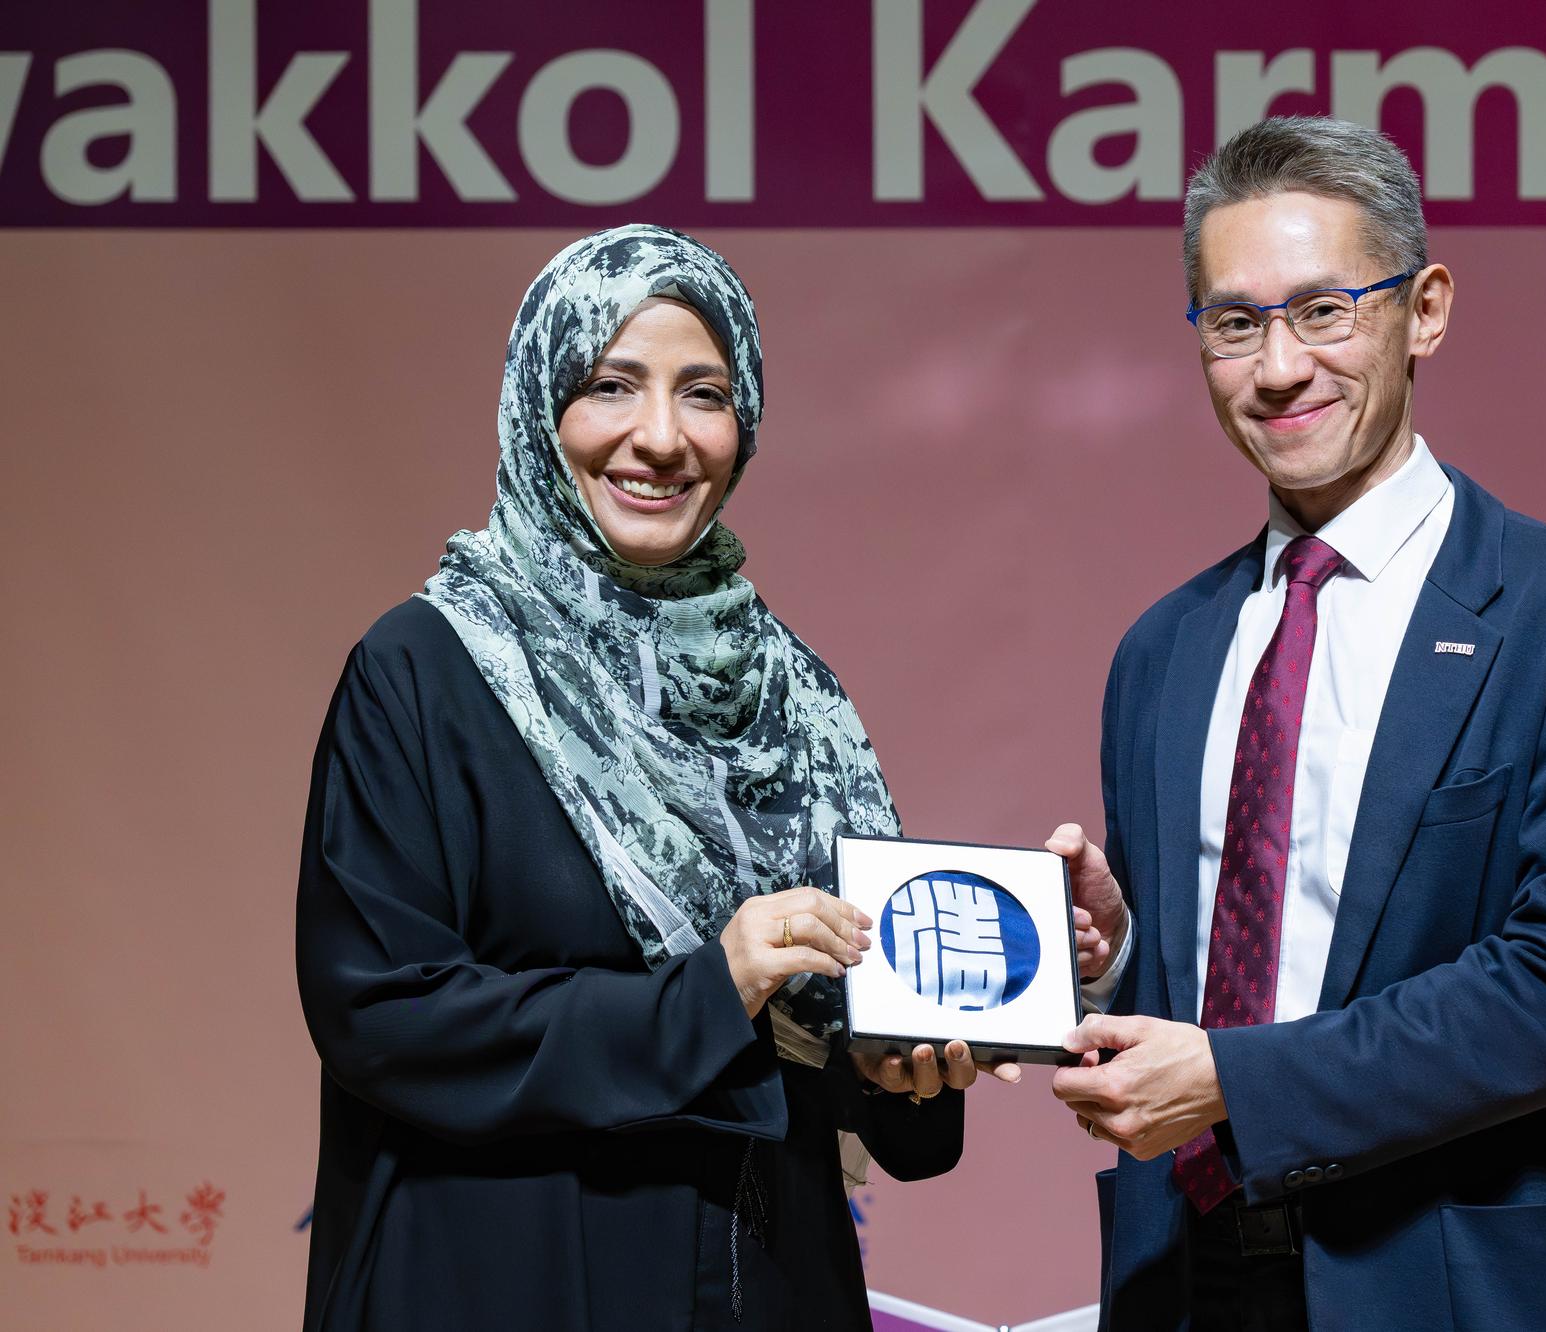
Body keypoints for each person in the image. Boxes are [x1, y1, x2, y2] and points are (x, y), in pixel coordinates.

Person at [296, 225, 1025, 1331]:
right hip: (504, 1283)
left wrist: (901, 1064)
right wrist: (705, 995)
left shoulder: (789, 703)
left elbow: (836, 1037)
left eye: (704, 394)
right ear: (541, 407)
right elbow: (382, 1013)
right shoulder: (428, 671)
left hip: (766, 1283)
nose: (662, 437)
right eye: (611, 386)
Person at [1046, 118, 1546, 1330]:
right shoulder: (1163, 653)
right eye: (1234, 324)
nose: (1278, 367)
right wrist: (1119, 951)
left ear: (1425, 310)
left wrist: (1236, 1082)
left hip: (1454, 1288)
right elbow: (1214, 983)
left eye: (1322, 311)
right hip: (1188, 1281)